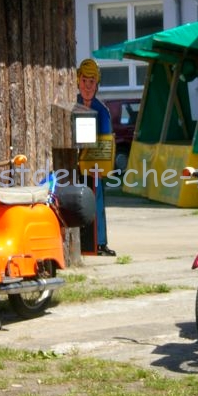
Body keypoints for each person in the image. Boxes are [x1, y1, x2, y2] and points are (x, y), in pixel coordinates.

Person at [76, 58, 117, 256]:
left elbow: (105, 140)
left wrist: (102, 166)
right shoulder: (73, 104)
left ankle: (99, 242)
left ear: (97, 84)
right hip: (74, 163)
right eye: (84, 80)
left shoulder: (102, 110)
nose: (87, 86)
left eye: (92, 81)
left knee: (96, 199)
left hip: (94, 164)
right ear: (78, 81)